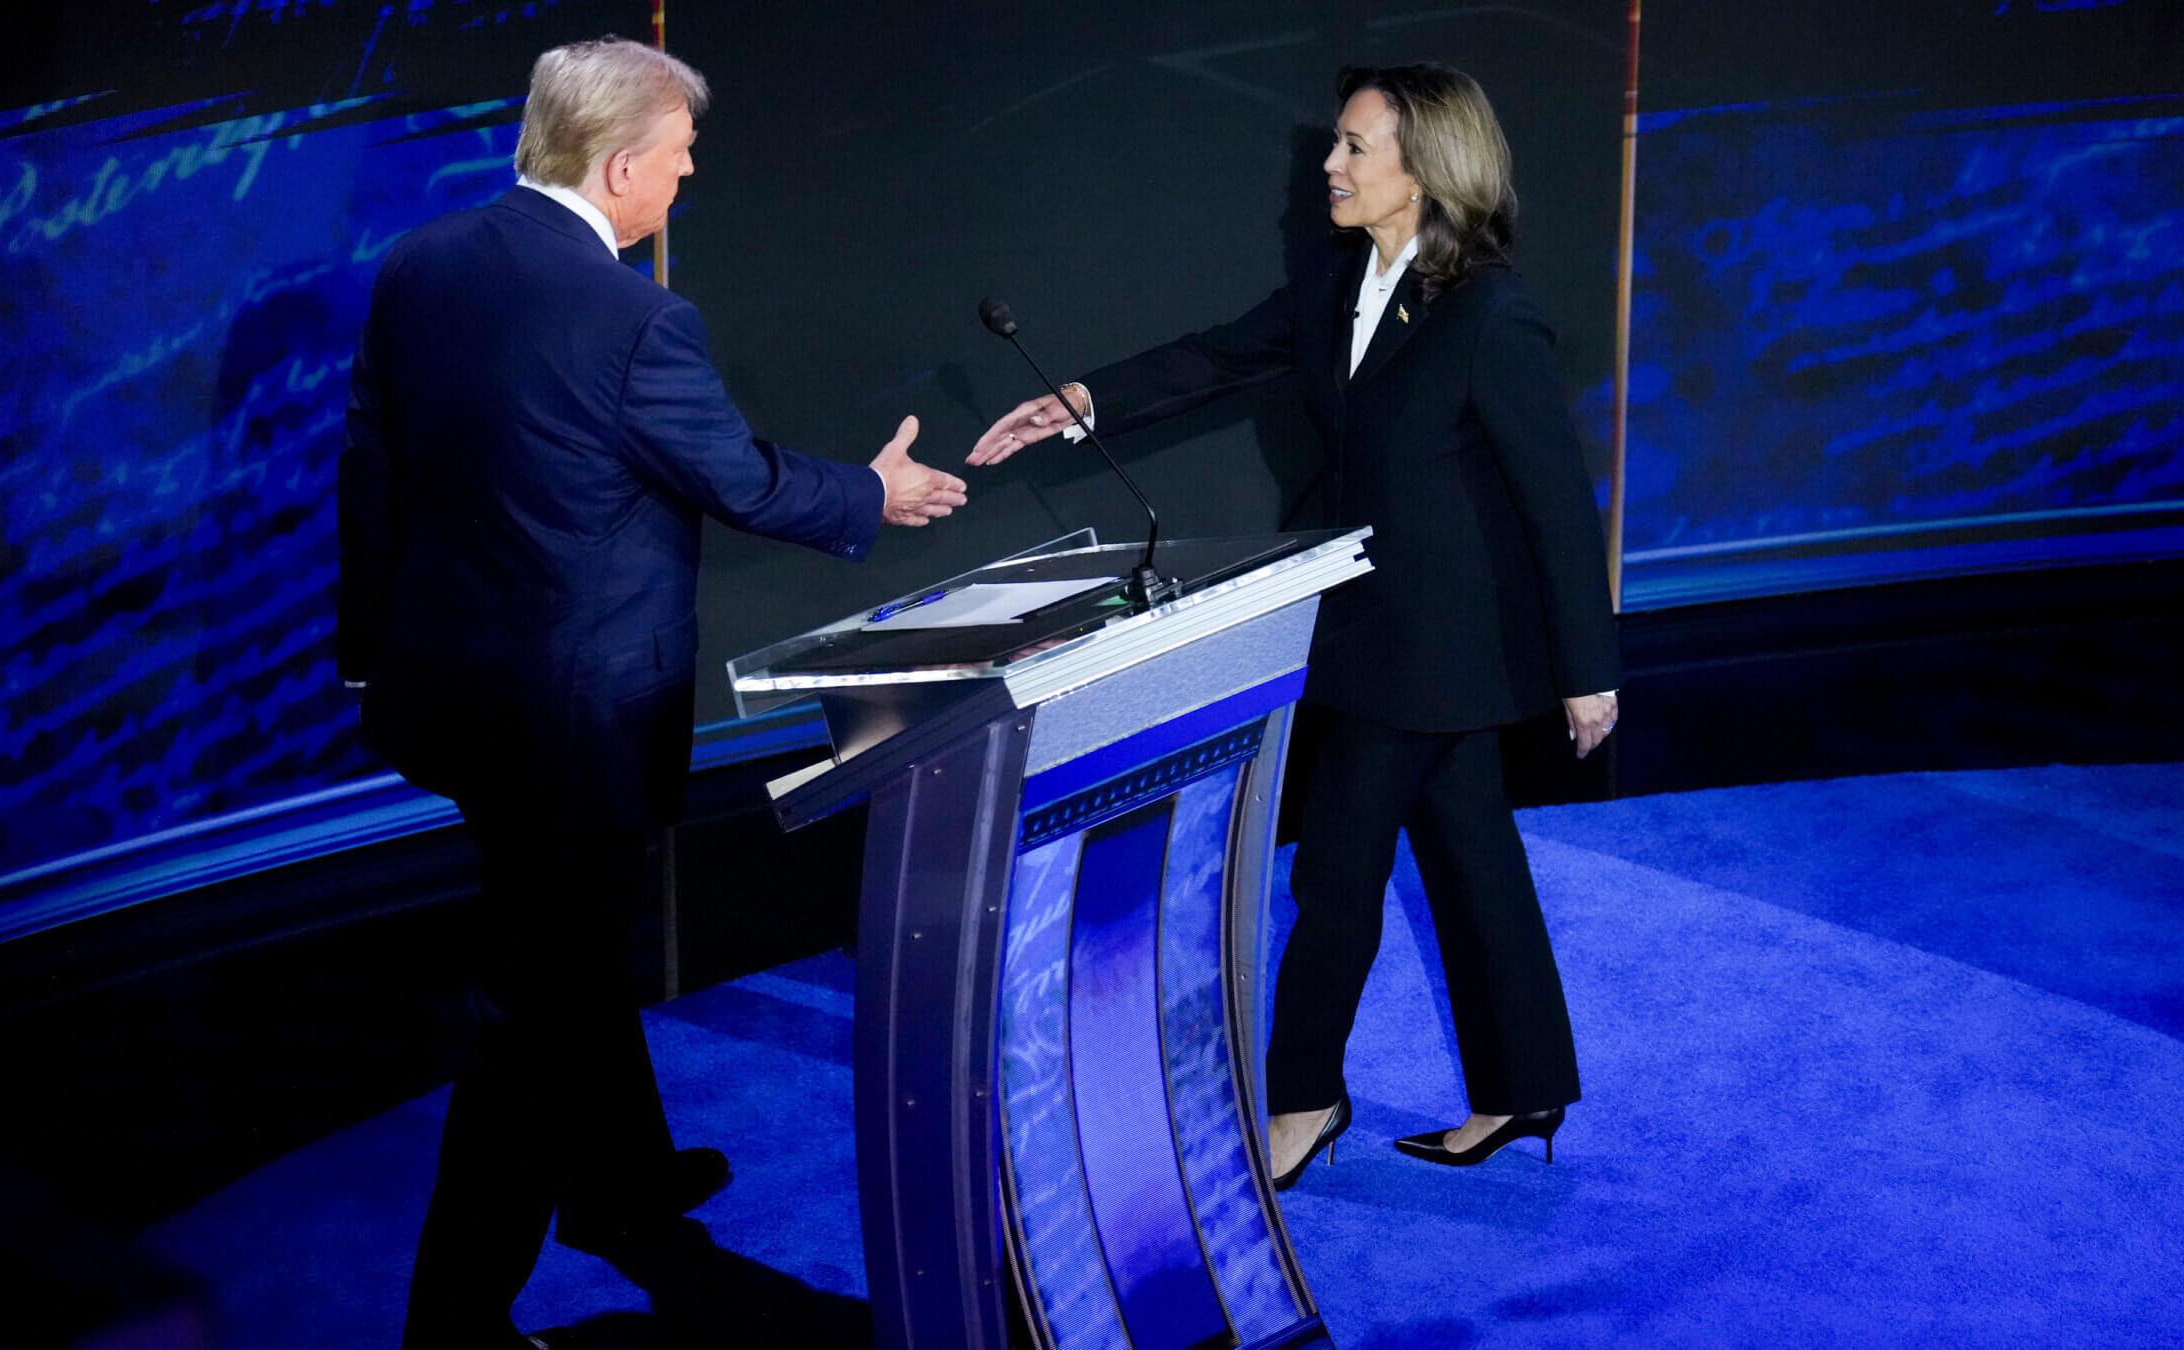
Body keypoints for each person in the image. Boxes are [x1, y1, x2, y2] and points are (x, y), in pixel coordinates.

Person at [337, 37, 968, 1349]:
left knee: (562, 942)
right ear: (621, 165)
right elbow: (736, 477)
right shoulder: (635, 319)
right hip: (577, 723)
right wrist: (878, 492)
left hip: (461, 701)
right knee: (536, 1007)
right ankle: (452, 1319)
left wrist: (367, 653)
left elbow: (372, 465)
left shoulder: (423, 264)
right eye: (679, 162)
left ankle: (618, 1185)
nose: (685, 181)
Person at [969, 63, 1619, 1182]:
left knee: (1335, 876)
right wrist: (1083, 400)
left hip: (1435, 651)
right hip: (1364, 625)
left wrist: (1587, 669)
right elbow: (1219, 356)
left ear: (1422, 172)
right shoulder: (1336, 284)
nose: (1331, 164)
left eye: (1356, 148)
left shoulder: (1492, 314)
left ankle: (1302, 1101)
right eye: (1339, 145)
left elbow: (1557, 500)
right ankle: (1524, 1091)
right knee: (1472, 860)